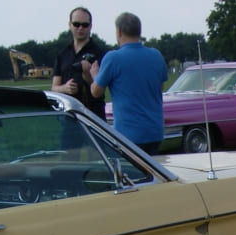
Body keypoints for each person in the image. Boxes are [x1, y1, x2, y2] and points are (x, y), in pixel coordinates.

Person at [90, 12, 168, 155]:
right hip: (155, 132)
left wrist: (95, 75)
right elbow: (160, 87)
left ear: (119, 32)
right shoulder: (156, 55)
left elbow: (96, 92)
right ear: (139, 31)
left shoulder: (113, 58)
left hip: (128, 134)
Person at [53, 7, 107, 120]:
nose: (80, 28)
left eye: (85, 25)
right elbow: (54, 87)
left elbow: (101, 90)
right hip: (68, 116)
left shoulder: (99, 53)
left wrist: (88, 76)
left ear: (91, 26)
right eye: (76, 24)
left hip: (93, 115)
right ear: (70, 25)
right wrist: (65, 88)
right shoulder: (62, 54)